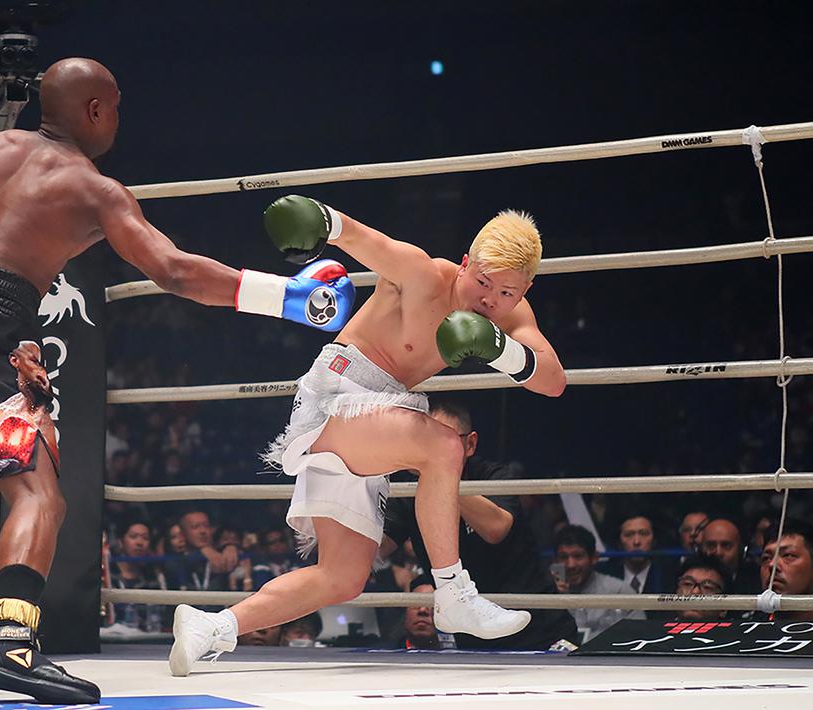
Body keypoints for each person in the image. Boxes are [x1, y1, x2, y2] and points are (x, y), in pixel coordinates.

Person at [0, 57, 355, 705]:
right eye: (115, 105)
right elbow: (171, 270)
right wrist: (286, 298)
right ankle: (9, 642)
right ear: (94, 110)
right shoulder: (94, 189)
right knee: (38, 494)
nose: (118, 118)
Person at [170, 199, 566, 675]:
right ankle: (455, 593)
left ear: (525, 289)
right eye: (481, 281)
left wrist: (502, 351)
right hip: (339, 393)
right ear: (465, 263)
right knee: (443, 445)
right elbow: (361, 237)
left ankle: (210, 628)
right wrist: (321, 218)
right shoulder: (422, 274)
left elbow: (553, 380)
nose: (488, 300)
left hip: (379, 418)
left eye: (505, 292)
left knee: (342, 577)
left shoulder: (510, 315)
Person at [381, 400, 577, 650]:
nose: (431, 450)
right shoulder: (409, 489)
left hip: (541, 630)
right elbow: (376, 548)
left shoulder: (492, 476)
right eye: (425, 441)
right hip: (472, 640)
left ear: (470, 443)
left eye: (443, 440)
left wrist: (438, 474)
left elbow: (497, 528)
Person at [552, 525, 643, 642]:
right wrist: (558, 598)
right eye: (563, 557)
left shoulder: (620, 591)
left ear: (594, 558)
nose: (571, 565)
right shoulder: (547, 594)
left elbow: (639, 636)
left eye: (578, 556)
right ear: (555, 561)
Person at [598, 514, 674, 595]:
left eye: (644, 534)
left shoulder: (670, 576)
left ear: (654, 541)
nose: (636, 542)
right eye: (628, 535)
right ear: (619, 543)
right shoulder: (604, 574)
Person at [700, 518, 761, 594]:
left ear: (740, 550)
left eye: (726, 546)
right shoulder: (689, 578)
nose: (718, 552)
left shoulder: (757, 581)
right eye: (711, 545)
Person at [671, 554, 730, 621]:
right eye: (688, 584)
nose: (695, 592)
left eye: (707, 587)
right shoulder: (658, 629)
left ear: (724, 608)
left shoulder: (734, 631)